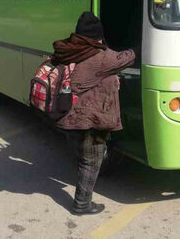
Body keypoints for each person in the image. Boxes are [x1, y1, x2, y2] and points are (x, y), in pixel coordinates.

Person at [52, 12, 135, 215]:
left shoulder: (68, 49)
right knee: (91, 160)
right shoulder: (100, 57)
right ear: (97, 36)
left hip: (67, 115)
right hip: (88, 118)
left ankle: (82, 199)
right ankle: (82, 204)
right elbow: (128, 57)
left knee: (83, 157)